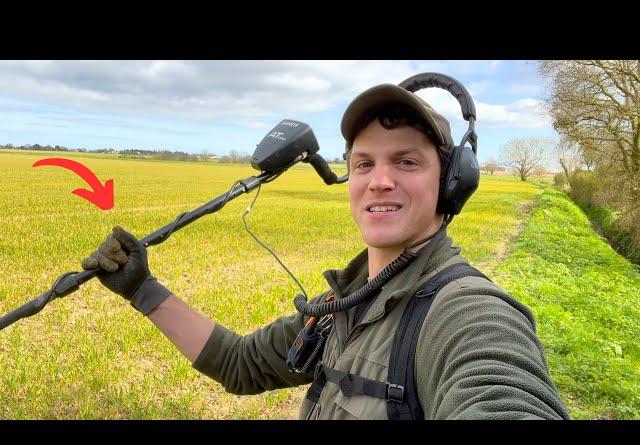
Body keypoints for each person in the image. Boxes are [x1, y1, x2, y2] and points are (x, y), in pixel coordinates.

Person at [82, 81, 570, 420]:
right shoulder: (347, 304)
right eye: (364, 163)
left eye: (406, 161)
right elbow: (240, 364)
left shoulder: (464, 312)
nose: (380, 181)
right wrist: (143, 290)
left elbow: (502, 391)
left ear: (452, 185)